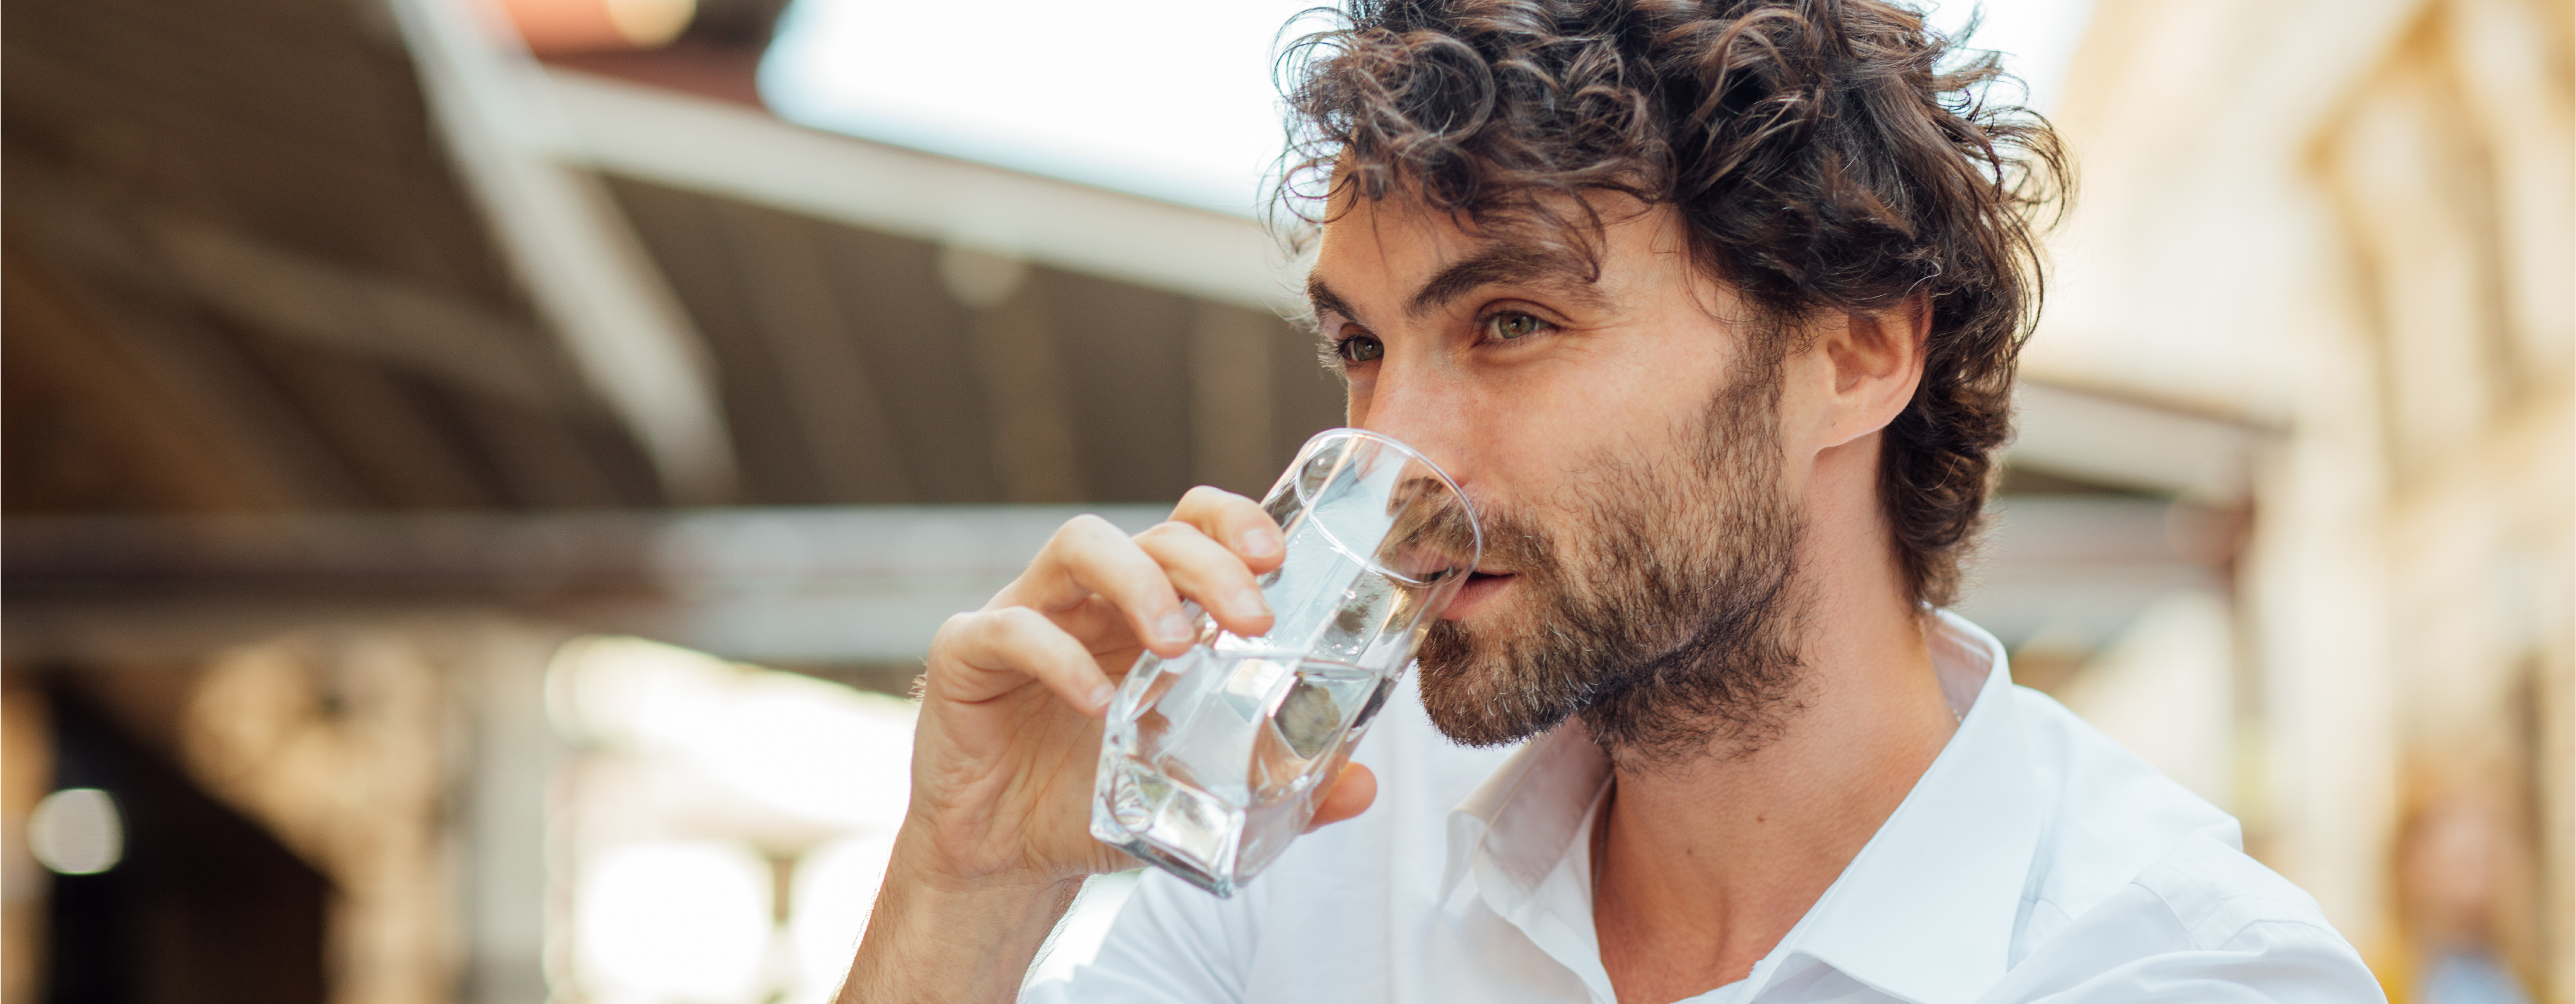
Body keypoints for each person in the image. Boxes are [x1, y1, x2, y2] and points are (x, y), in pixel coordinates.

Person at [842, 1, 2383, 1001]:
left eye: (1510, 322)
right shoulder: (1320, 845)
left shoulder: (2166, 965)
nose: (1398, 450)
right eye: (1361, 349)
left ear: (1852, 352)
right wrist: (962, 882)